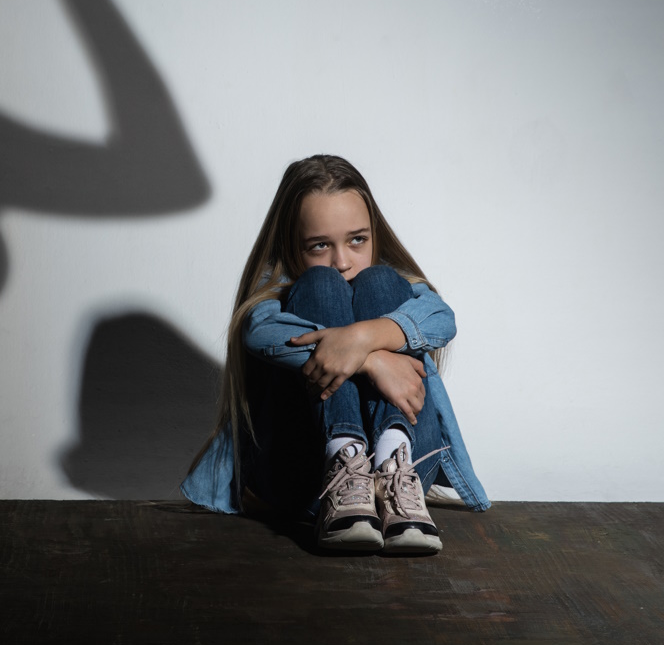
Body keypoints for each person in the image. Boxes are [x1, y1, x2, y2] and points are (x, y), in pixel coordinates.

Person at [181, 154, 488, 554]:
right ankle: (343, 461)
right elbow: (260, 332)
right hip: (308, 477)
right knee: (320, 287)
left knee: (380, 281)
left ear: (374, 234)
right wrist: (375, 359)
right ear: (291, 245)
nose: (342, 261)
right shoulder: (275, 297)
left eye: (357, 239)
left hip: (412, 472)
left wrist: (362, 337)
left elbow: (441, 318)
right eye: (319, 244)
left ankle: (394, 461)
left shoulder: (396, 285)